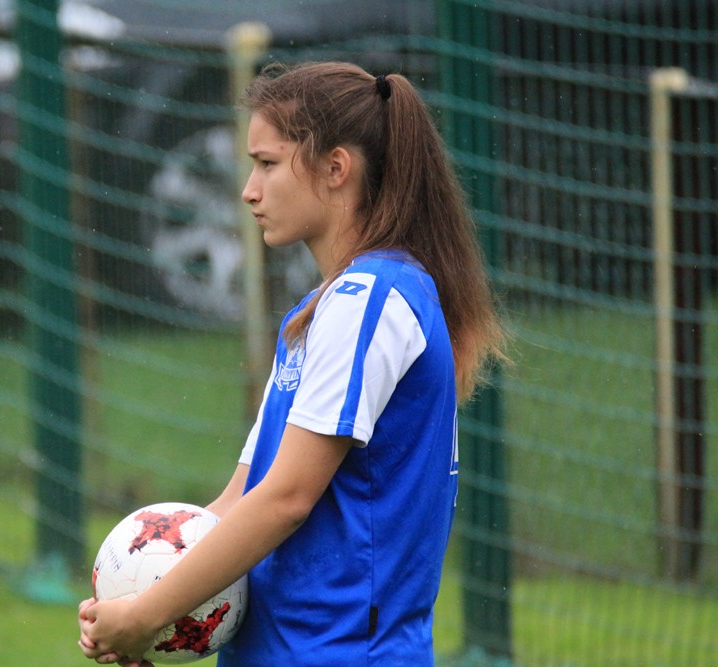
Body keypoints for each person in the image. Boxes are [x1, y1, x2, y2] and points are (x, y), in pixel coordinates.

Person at [78, 61, 507, 666]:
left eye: (267, 163)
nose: (249, 190)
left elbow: (287, 499)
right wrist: (136, 595)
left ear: (336, 168)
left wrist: (147, 614)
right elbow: (240, 499)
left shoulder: (371, 301)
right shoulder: (318, 312)